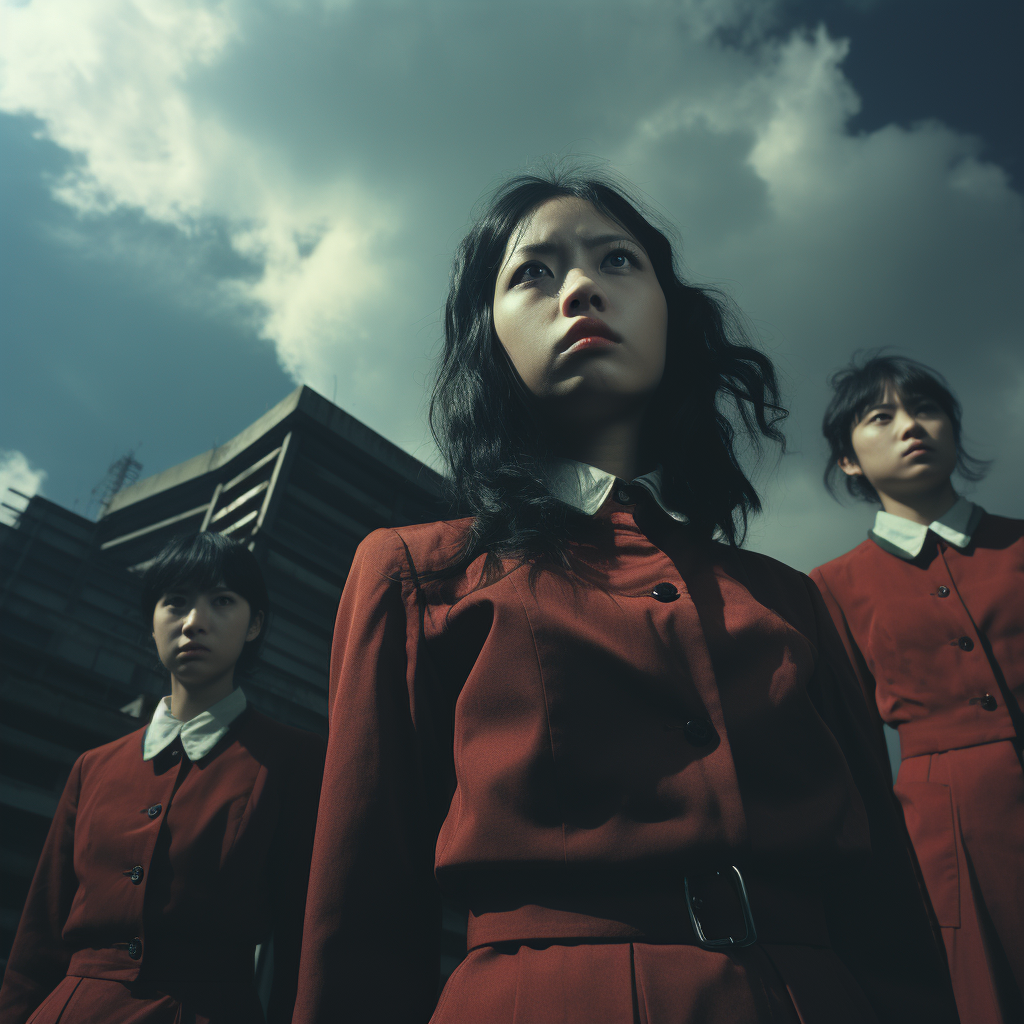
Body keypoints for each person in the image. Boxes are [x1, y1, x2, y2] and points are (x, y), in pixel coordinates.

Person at [293, 173, 956, 1024]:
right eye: (532, 272)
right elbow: (362, 910)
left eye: (617, 261)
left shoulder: (794, 600)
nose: (580, 289)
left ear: (672, 318)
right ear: (486, 336)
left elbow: (889, 912)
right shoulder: (415, 574)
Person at [0, 531, 325, 1024]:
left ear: (254, 624)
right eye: (175, 602)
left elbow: (303, 942)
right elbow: (36, 943)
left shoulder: (294, 759)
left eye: (221, 601)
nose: (194, 622)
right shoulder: (93, 766)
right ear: (151, 624)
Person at [810, 353, 1023, 1023]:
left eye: (926, 409)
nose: (911, 426)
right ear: (848, 459)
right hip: (942, 839)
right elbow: (854, 749)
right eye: (882, 416)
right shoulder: (830, 589)